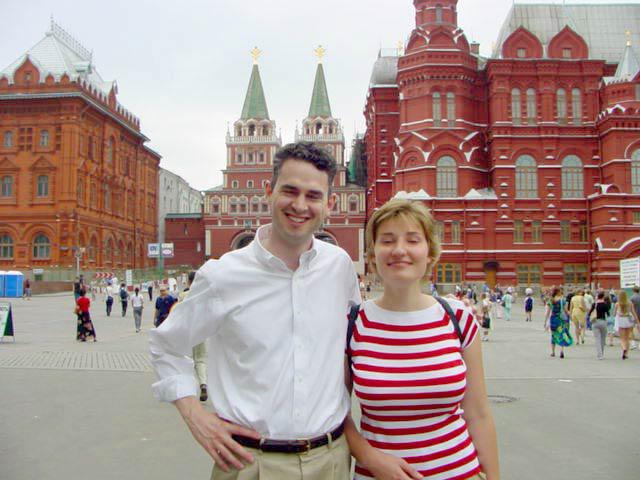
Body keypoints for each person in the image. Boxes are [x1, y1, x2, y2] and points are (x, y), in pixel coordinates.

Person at [149, 142, 360, 479]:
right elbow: (165, 345)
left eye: (313, 195)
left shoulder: (340, 267)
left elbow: (349, 351)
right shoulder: (223, 276)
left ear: (330, 204)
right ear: (268, 191)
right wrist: (193, 414)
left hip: (330, 460)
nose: (300, 205)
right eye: (289, 191)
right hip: (252, 464)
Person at [344, 199, 499, 480]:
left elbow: (478, 415)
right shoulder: (353, 324)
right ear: (372, 254)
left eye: (413, 240)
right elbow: (335, 414)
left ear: (429, 253)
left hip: (459, 472)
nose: (399, 250)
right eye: (387, 240)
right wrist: (368, 456)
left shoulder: (458, 318)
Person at [176, 271, 209, 402]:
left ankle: (188, 389)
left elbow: (178, 313)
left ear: (189, 282)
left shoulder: (183, 295)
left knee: (186, 359)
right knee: (200, 359)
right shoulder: (205, 295)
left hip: (186, 331)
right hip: (201, 330)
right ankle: (203, 384)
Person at [544, 287, 573, 358]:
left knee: (553, 335)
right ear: (558, 292)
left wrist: (545, 321)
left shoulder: (550, 300)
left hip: (553, 319)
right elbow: (566, 311)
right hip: (560, 319)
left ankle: (553, 352)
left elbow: (548, 312)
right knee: (561, 334)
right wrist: (571, 317)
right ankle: (561, 351)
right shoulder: (562, 300)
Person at [613, 290, 639, 360]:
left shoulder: (617, 304)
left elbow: (614, 314)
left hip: (621, 320)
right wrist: (637, 322)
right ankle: (626, 353)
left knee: (622, 338)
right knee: (627, 338)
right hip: (628, 320)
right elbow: (634, 313)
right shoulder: (630, 303)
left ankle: (624, 348)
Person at [587, 292, 609, 360]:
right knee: (603, 339)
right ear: (603, 297)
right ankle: (602, 353)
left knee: (597, 339)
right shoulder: (605, 304)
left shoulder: (594, 304)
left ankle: (599, 355)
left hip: (595, 321)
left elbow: (589, 313)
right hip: (603, 321)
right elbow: (608, 313)